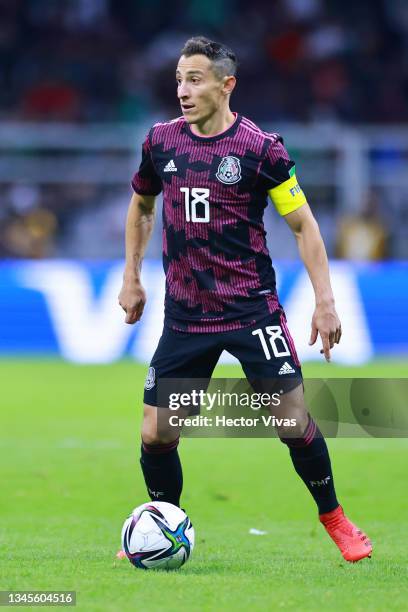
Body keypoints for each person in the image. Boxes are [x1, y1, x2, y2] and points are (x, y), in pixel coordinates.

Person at [118, 36, 372, 563]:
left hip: (250, 307)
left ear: (225, 85)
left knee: (291, 420)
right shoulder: (160, 142)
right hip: (186, 315)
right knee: (155, 432)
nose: (184, 92)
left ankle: (336, 519)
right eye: (179, 81)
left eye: (195, 80)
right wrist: (131, 276)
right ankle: (163, 524)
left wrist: (325, 302)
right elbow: (141, 206)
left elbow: (303, 226)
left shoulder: (260, 149)